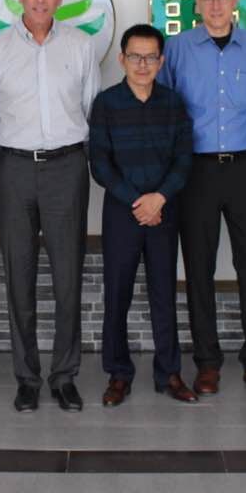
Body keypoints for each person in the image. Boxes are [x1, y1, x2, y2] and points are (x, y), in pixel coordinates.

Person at [0, 0, 100, 412]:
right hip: (15, 168)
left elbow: (90, 108)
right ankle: (26, 378)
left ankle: (64, 376)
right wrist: (11, 159)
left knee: (68, 276)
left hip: (67, 167)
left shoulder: (81, 46)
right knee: (19, 274)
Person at [158, 0, 246, 397]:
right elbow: (165, 109)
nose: (215, 6)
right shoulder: (177, 47)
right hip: (196, 171)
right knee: (199, 267)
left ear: (235, 0)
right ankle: (207, 363)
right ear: (196, 3)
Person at [88, 24, 198, 406]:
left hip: (164, 211)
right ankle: (118, 374)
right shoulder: (106, 103)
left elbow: (184, 158)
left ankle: (169, 373)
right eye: (135, 56)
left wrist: (159, 198)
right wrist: (138, 202)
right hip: (122, 212)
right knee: (117, 294)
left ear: (161, 61)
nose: (142, 64)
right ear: (122, 59)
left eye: (151, 57)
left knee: (164, 293)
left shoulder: (173, 103)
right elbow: (100, 163)